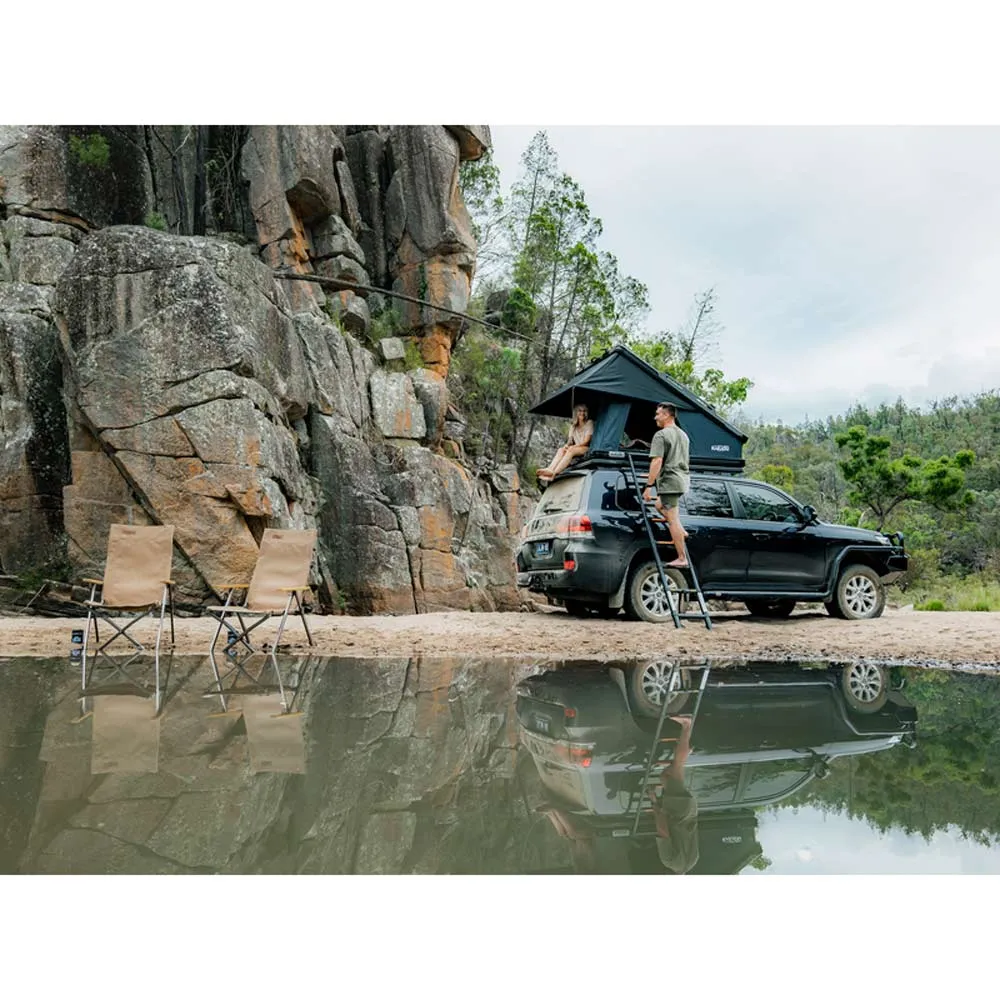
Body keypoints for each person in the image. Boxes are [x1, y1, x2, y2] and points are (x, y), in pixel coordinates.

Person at [648, 714, 700, 874]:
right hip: (678, 812)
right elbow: (663, 830)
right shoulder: (669, 862)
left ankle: (685, 751)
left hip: (689, 812)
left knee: (665, 776)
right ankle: (686, 725)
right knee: (677, 767)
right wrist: (655, 806)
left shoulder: (692, 862)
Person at [642, 402, 690, 568]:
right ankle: (681, 532)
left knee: (672, 520)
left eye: (658, 414)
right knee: (659, 504)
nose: (655, 417)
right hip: (682, 479)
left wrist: (649, 486)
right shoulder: (684, 435)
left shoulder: (661, 435)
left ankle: (682, 557)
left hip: (670, 481)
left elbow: (657, 461)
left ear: (668, 415)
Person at [537, 404, 593, 484]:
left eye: (584, 411)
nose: (582, 413)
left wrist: (574, 446)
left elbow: (587, 441)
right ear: (576, 413)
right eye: (580, 411)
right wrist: (566, 446)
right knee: (561, 450)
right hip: (576, 447)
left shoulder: (589, 423)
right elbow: (570, 441)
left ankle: (555, 473)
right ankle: (550, 469)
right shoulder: (573, 426)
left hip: (585, 448)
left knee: (571, 450)